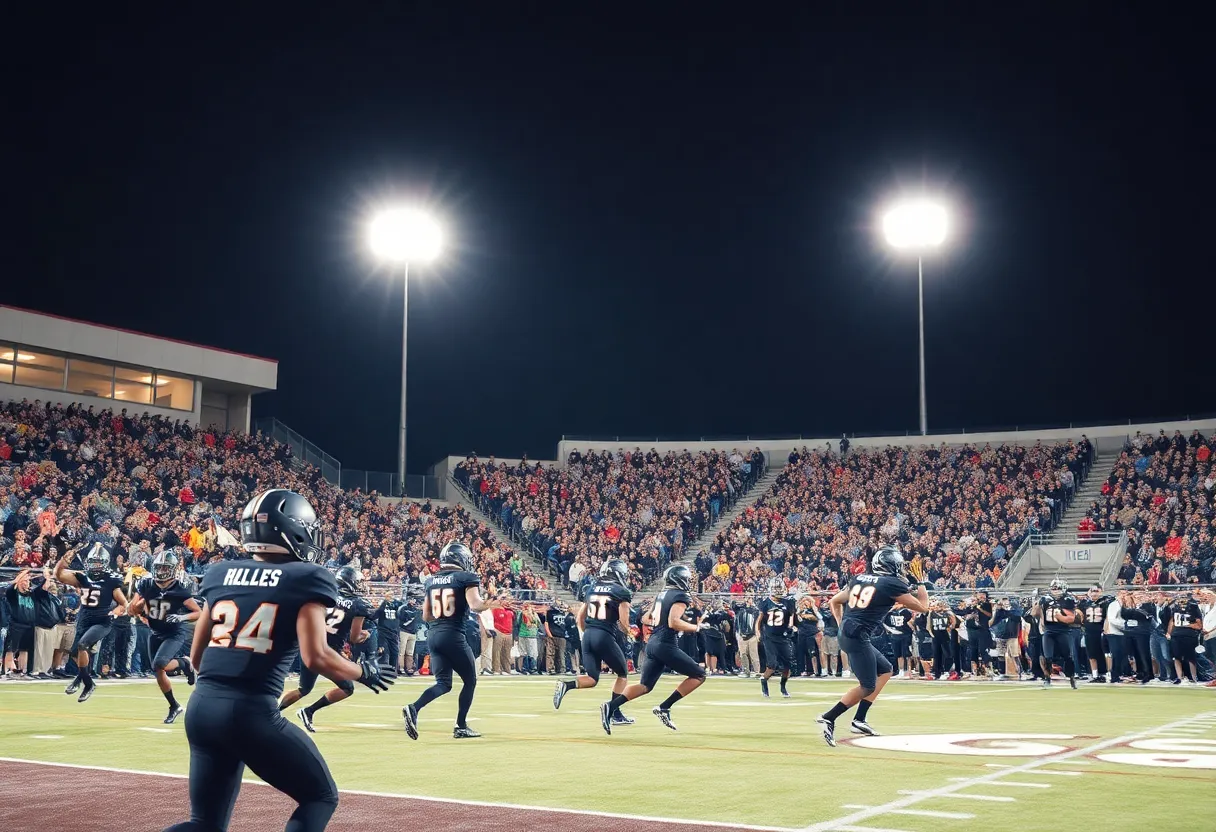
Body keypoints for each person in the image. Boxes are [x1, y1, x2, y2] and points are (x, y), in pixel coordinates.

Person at [163, 488, 392, 832]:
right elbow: (316, 656)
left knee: (204, 824)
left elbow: (196, 656)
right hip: (250, 711)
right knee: (320, 796)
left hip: (201, 709)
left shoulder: (219, 573)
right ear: (294, 530)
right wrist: (362, 672)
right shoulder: (307, 577)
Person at [817, 545, 929, 747]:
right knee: (867, 686)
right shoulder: (890, 583)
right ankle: (829, 717)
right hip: (857, 637)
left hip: (850, 633)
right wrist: (920, 583)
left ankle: (859, 719)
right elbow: (923, 607)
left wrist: (841, 622)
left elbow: (834, 601)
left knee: (886, 670)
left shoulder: (860, 578)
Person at [401, 541, 510, 741]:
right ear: (461, 559)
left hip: (434, 636)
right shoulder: (465, 577)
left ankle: (413, 708)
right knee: (470, 680)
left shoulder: (430, 581)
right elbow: (476, 605)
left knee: (443, 683)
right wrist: (492, 603)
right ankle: (460, 725)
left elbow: (426, 615)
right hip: (453, 635)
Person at [599, 564, 706, 734]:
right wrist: (695, 627)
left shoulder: (661, 595)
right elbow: (673, 622)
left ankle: (610, 706)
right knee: (699, 675)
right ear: (681, 579)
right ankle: (665, 707)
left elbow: (646, 618)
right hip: (666, 643)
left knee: (645, 686)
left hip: (653, 643)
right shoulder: (680, 595)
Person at [277, 565, 372, 732]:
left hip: (309, 645)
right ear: (349, 583)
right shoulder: (358, 605)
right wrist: (366, 635)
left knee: (303, 689)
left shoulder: (324, 596)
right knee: (347, 688)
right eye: (356, 582)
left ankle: (273, 714)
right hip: (328, 653)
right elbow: (354, 638)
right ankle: (308, 711)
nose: (359, 585)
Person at [552, 559, 634, 726]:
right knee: (622, 674)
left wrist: (588, 632)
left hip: (588, 635)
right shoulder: (621, 591)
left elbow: (579, 618)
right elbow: (624, 623)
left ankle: (566, 685)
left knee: (592, 678)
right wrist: (630, 634)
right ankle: (614, 713)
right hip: (603, 635)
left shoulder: (592, 588)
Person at [125, 549, 201, 723]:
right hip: (155, 632)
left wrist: (182, 616)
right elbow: (132, 610)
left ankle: (186, 663)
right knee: (157, 670)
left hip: (174, 632)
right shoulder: (146, 585)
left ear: (173, 569)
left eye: (165, 568)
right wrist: (140, 604)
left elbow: (199, 612)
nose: (161, 572)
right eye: (159, 568)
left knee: (161, 664)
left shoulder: (179, 589)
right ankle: (174, 705)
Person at [53, 541, 129, 702]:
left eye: (97, 562)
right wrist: (65, 558)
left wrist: (114, 612)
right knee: (74, 652)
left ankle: (87, 683)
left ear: (105, 563)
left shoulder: (111, 580)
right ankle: (83, 678)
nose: (94, 566)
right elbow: (58, 574)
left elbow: (123, 604)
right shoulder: (82, 577)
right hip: (84, 617)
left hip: (102, 619)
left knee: (82, 646)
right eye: (92, 562)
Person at [1034, 578, 1079, 689]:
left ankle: (1072, 677)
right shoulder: (1045, 599)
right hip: (1049, 631)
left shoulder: (1068, 599)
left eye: (1058, 588)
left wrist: (1060, 617)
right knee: (1047, 656)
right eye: (1053, 588)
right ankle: (1047, 678)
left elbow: (1071, 619)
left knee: (1068, 657)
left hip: (1063, 631)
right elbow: (1037, 614)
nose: (1055, 591)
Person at [758, 577, 797, 698]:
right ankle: (764, 682)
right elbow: (759, 620)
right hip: (770, 637)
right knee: (772, 665)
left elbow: (791, 618)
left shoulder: (787, 602)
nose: (778, 590)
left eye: (779, 587)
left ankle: (783, 687)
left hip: (783, 637)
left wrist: (791, 626)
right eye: (776, 588)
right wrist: (758, 632)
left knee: (787, 666)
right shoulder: (765, 603)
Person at [1078, 586, 1112, 683]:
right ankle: (1095, 675)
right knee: (1091, 655)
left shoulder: (1105, 602)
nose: (1094, 593)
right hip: (1089, 631)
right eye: (1092, 591)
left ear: (1101, 591)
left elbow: (1107, 618)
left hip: (1100, 630)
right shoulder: (1085, 603)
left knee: (1105, 654)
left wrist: (1105, 630)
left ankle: (1107, 673)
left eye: (1097, 591)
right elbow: (1079, 613)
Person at [371, 589, 402, 673]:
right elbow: (376, 615)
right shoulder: (382, 604)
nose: (390, 596)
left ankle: (393, 670)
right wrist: (385, 602)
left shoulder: (398, 604)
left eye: (391, 594)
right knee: (383, 651)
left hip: (394, 632)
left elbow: (402, 612)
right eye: (388, 594)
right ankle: (381, 670)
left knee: (395, 652)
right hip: (383, 631)